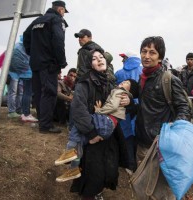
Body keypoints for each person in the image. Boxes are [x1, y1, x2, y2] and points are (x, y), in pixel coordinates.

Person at [67, 49, 129, 199]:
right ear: (89, 64)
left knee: (109, 169)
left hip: (109, 134)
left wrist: (128, 101)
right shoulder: (84, 82)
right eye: (94, 59)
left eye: (101, 57)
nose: (99, 60)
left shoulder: (111, 81)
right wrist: (91, 134)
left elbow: (117, 104)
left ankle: (98, 193)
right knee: (92, 172)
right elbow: (78, 108)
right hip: (91, 134)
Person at [135, 36, 191, 199]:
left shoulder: (169, 79)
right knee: (146, 188)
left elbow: (184, 108)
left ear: (160, 57)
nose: (146, 56)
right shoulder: (142, 77)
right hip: (143, 143)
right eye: (144, 51)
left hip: (161, 146)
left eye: (152, 52)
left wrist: (172, 131)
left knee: (164, 192)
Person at [55, 78, 138, 183]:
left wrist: (99, 112)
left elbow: (112, 106)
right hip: (108, 128)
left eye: (127, 83)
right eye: (124, 81)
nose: (123, 82)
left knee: (78, 125)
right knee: (79, 142)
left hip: (106, 122)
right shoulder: (119, 91)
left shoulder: (119, 91)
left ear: (130, 91)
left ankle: (69, 151)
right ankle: (73, 169)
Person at [23, 0, 68, 133]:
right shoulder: (57, 20)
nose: (64, 14)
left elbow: (26, 36)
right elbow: (59, 41)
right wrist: (62, 61)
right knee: (49, 92)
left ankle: (43, 121)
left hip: (36, 63)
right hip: (49, 63)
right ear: (60, 10)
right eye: (64, 11)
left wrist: (32, 52)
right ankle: (46, 125)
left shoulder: (37, 20)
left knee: (39, 92)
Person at [115, 51, 142, 173]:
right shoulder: (143, 71)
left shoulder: (120, 73)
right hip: (140, 109)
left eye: (124, 57)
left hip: (124, 108)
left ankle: (129, 164)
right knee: (138, 138)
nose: (122, 60)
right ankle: (139, 165)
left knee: (126, 136)